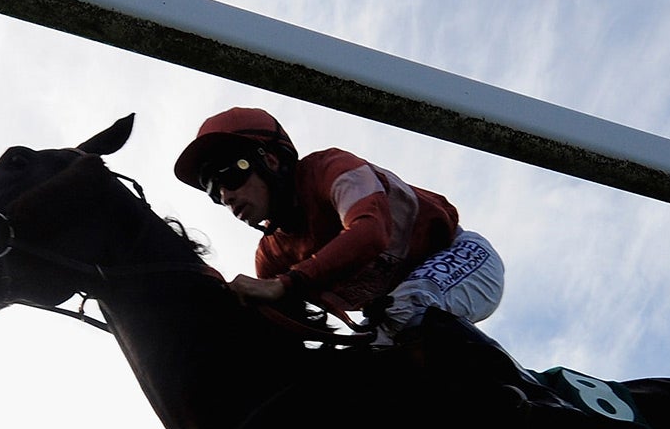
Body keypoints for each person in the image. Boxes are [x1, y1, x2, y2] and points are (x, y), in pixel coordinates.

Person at [173, 107, 505, 340]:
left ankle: (540, 400)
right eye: (213, 192)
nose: (226, 196)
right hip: (389, 315)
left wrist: (287, 284)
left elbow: (370, 232)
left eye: (229, 176)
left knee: (408, 309)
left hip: (462, 258)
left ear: (270, 160)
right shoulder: (271, 258)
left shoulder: (331, 168)